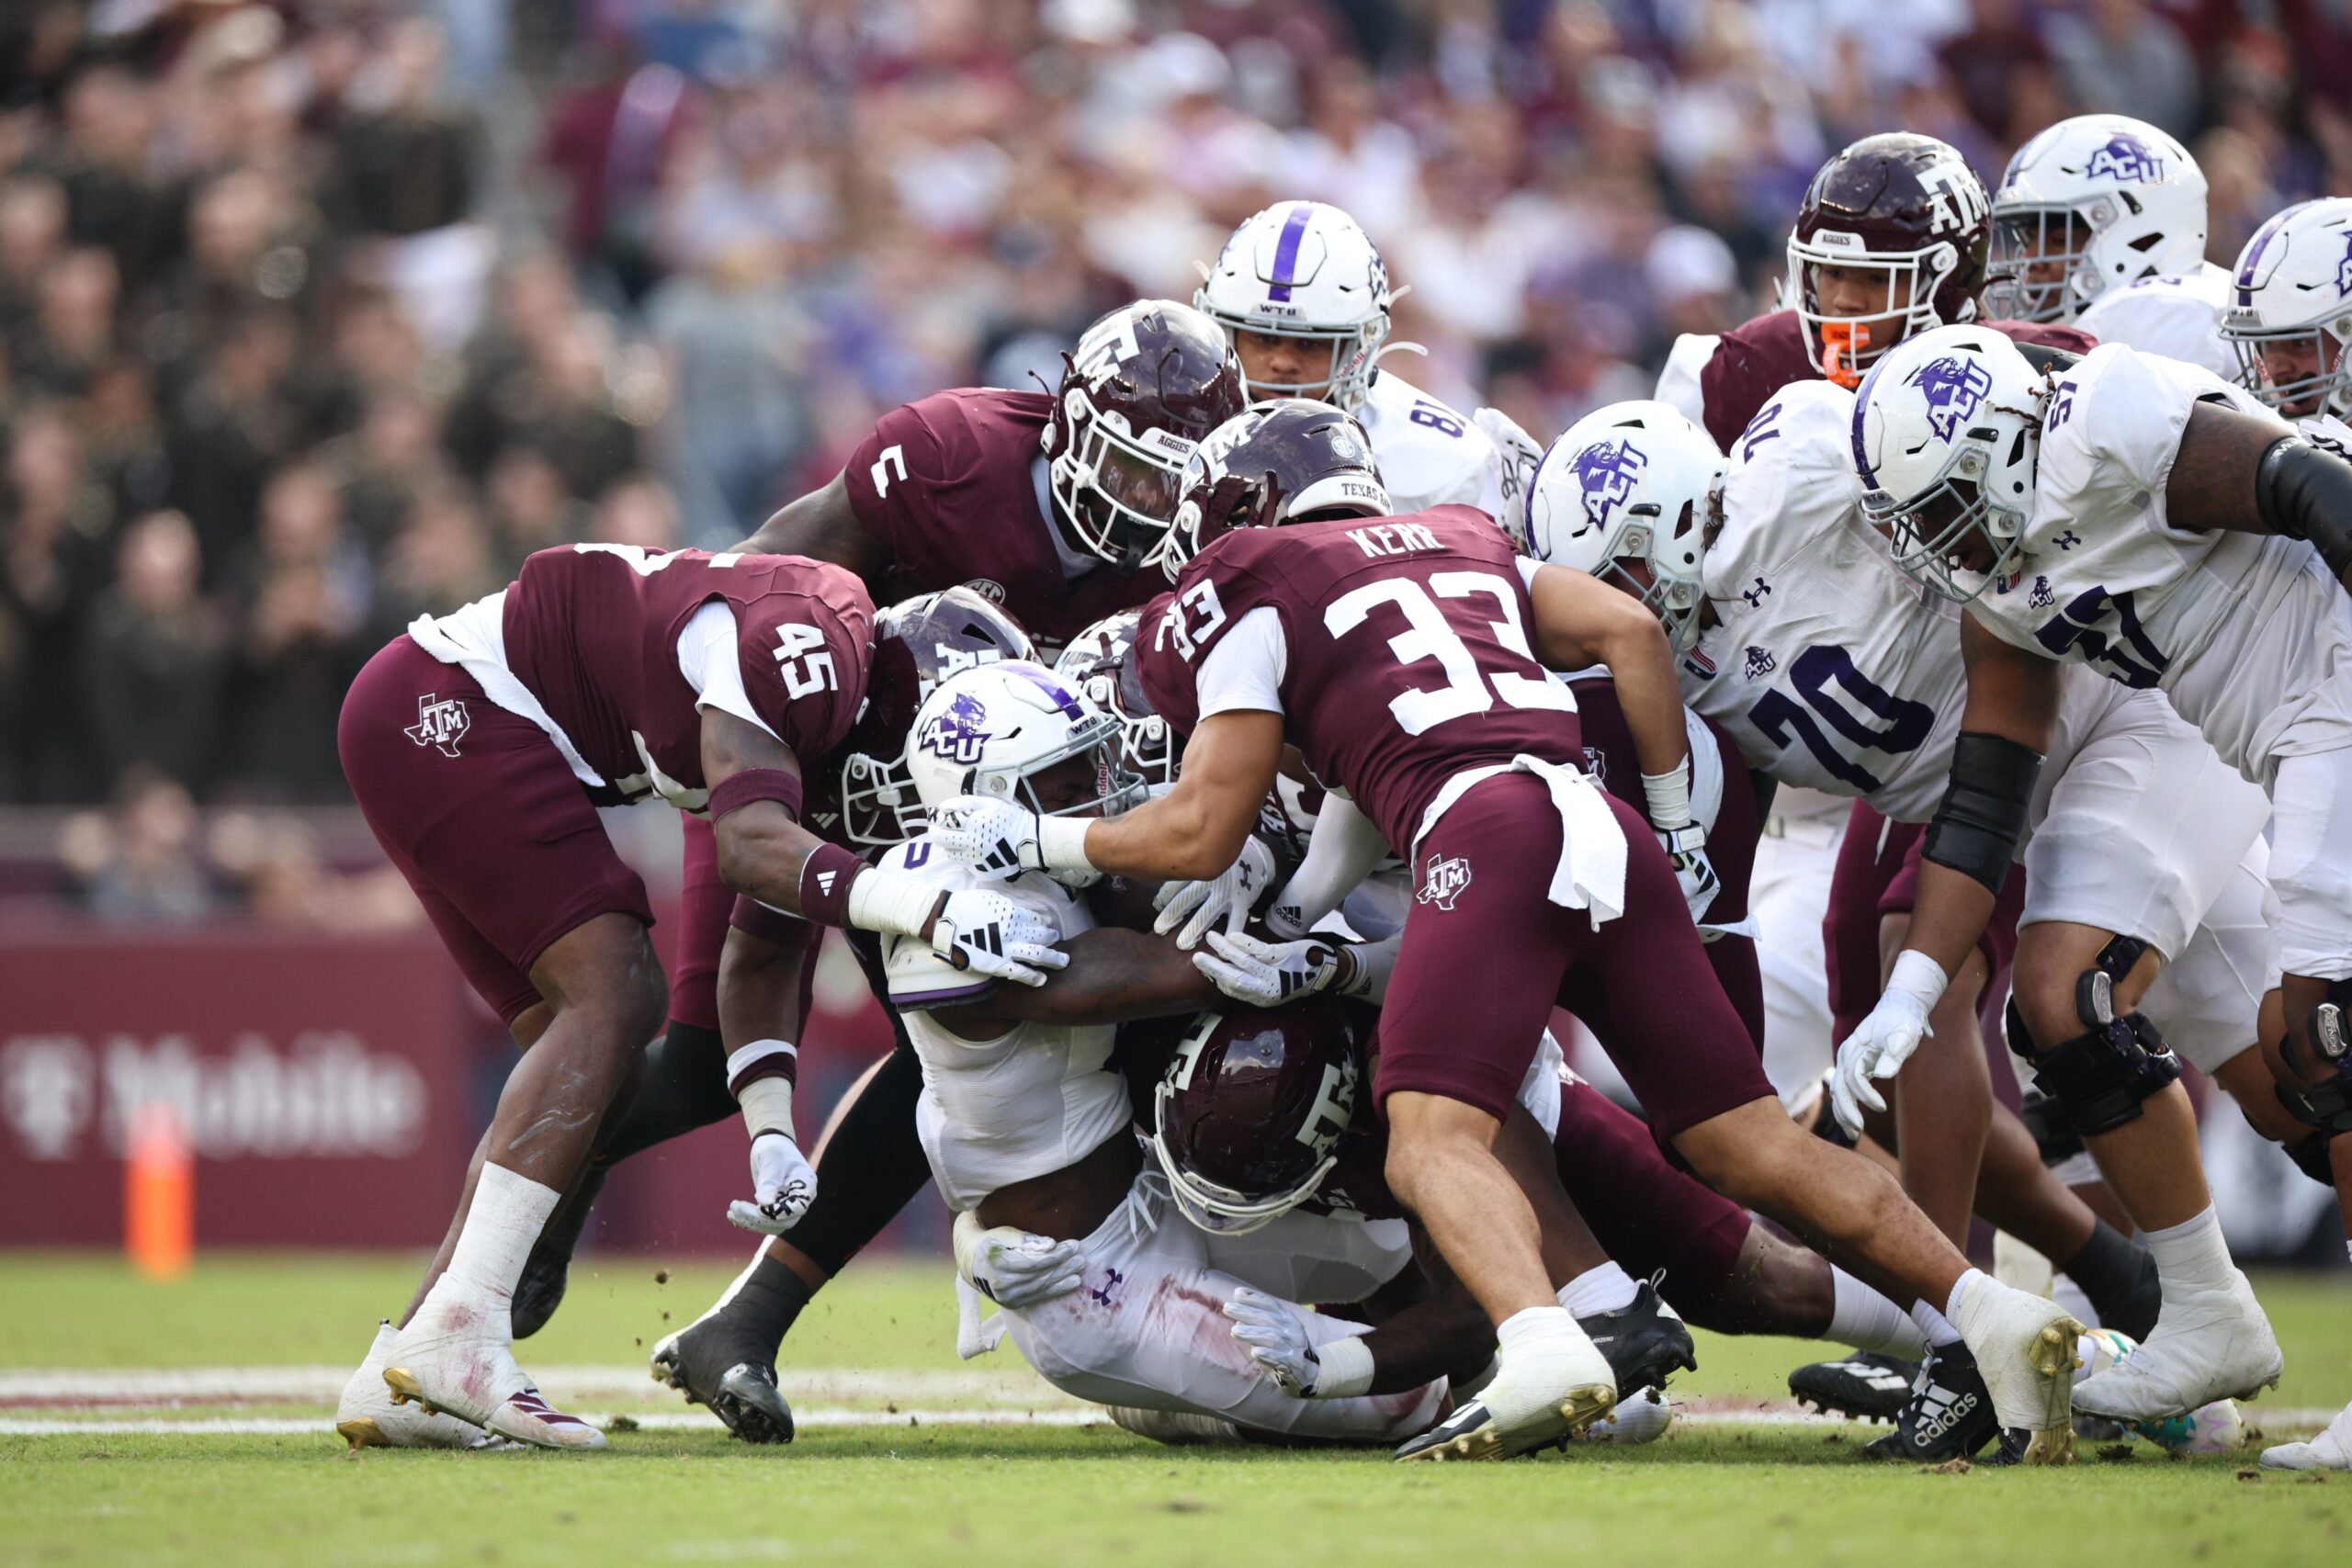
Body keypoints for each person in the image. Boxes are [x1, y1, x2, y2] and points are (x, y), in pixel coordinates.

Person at [928, 399, 2089, 1462]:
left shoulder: (1248, 576)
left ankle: (1541, 1348)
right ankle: (1990, 1312)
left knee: (1428, 1140)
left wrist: (1037, 846)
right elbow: (1628, 636)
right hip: (1593, 815)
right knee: (1751, 1148)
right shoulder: (1460, 537)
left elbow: (1192, 829)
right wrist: (1677, 827)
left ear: (1233, 515)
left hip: (1481, 830)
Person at [522, 300, 1249, 1426]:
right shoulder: (949, 457)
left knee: (963, 1021)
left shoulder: (1201, 539)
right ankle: (544, 1188)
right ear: (1067, 424)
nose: (1147, 506)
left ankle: (742, 1325)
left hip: (980, 810)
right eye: (1131, 471)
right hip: (810, 762)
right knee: (703, 1066)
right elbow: (757, 588)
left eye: (1173, 484)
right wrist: (748, 770)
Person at [1538, 393, 2278, 1458]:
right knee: (2284, 1074)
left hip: (2108, 714)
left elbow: (2012, 465)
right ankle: (2173, 1317)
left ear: (1685, 521)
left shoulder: (1799, 465)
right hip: (2005, 800)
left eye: (1627, 582)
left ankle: (2006, 1342)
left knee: (2058, 1000)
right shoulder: (1676, 684)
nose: (1617, 621)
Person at [328, 542, 1066, 1450]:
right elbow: (752, 851)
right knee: (616, 999)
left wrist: (768, 1135)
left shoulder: (812, 730)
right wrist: (930, 906)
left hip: (429, 716)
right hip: (447, 706)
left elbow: (756, 958)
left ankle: (411, 1359)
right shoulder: (814, 648)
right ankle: (461, 1337)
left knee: (579, 1078)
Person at [1845, 321, 2352, 1426]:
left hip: (2334, 683)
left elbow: (2314, 487)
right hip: (2270, 736)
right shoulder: (2003, 584)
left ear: (2001, 446)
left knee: (2327, 1030)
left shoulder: (2098, 423)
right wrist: (1915, 986)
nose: (1938, 544)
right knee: (2289, 1066)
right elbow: (1987, 797)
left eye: (1942, 507)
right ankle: (2206, 1312)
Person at [1652, 131, 2095, 1129]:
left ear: (1950, 285)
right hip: (1808, 692)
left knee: (1917, 968)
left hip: (1992, 711)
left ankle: (1952, 1274)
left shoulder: (2030, 380)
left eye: (1870, 285)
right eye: (1827, 280)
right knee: (1772, 933)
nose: (1841, 311)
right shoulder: (1749, 369)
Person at [1193, 199, 1537, 526]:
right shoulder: (1179, 420)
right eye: (1263, 339)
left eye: (1311, 344)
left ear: (1362, 344)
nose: (1282, 362)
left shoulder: (1441, 457)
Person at [1987, 115, 2231, 378]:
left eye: (2058, 241)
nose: (2030, 260)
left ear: (2143, 237)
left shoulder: (2175, 316)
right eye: (2028, 241)